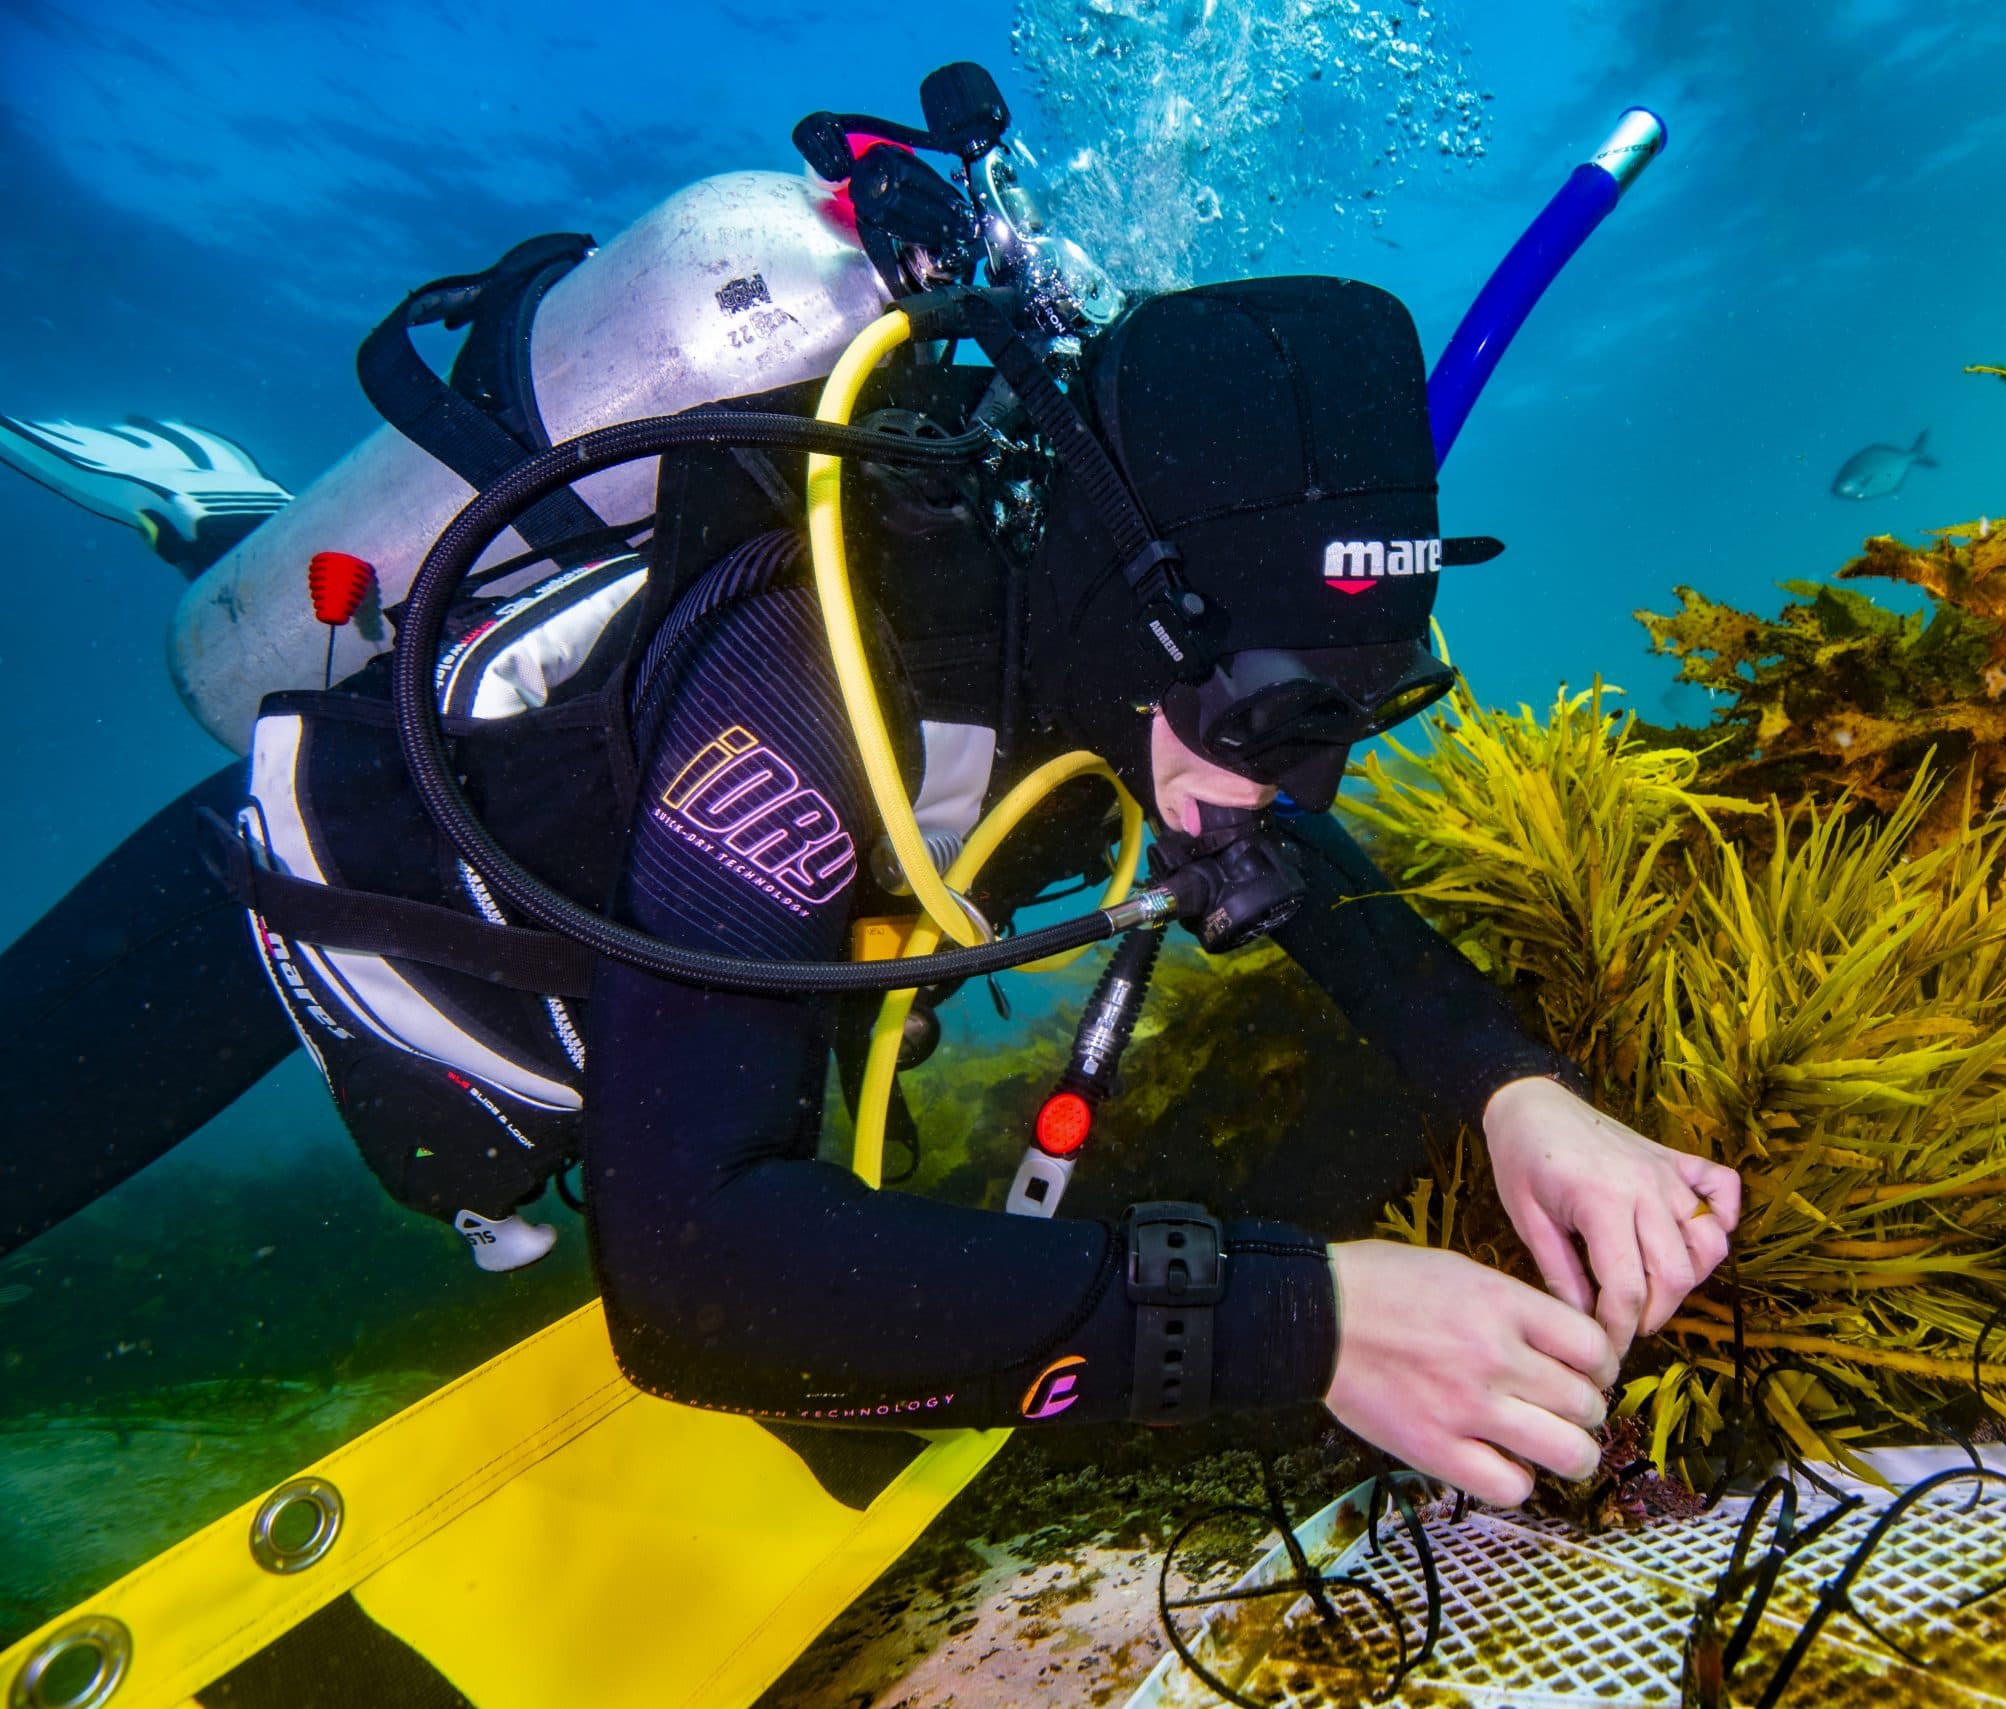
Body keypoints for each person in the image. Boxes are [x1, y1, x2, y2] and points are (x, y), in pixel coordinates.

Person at [0, 132, 1738, 1514]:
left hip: (713, 925)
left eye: (1357, 715)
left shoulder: (1108, 633)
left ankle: (219, 521)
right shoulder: (802, 670)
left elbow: (1285, 857)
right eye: (1279, 718)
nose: (1304, 787)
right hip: (314, 897)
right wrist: (1312, 1320)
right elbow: (690, 1282)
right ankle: (212, 533)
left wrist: (1520, 1091)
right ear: (1142, 624)